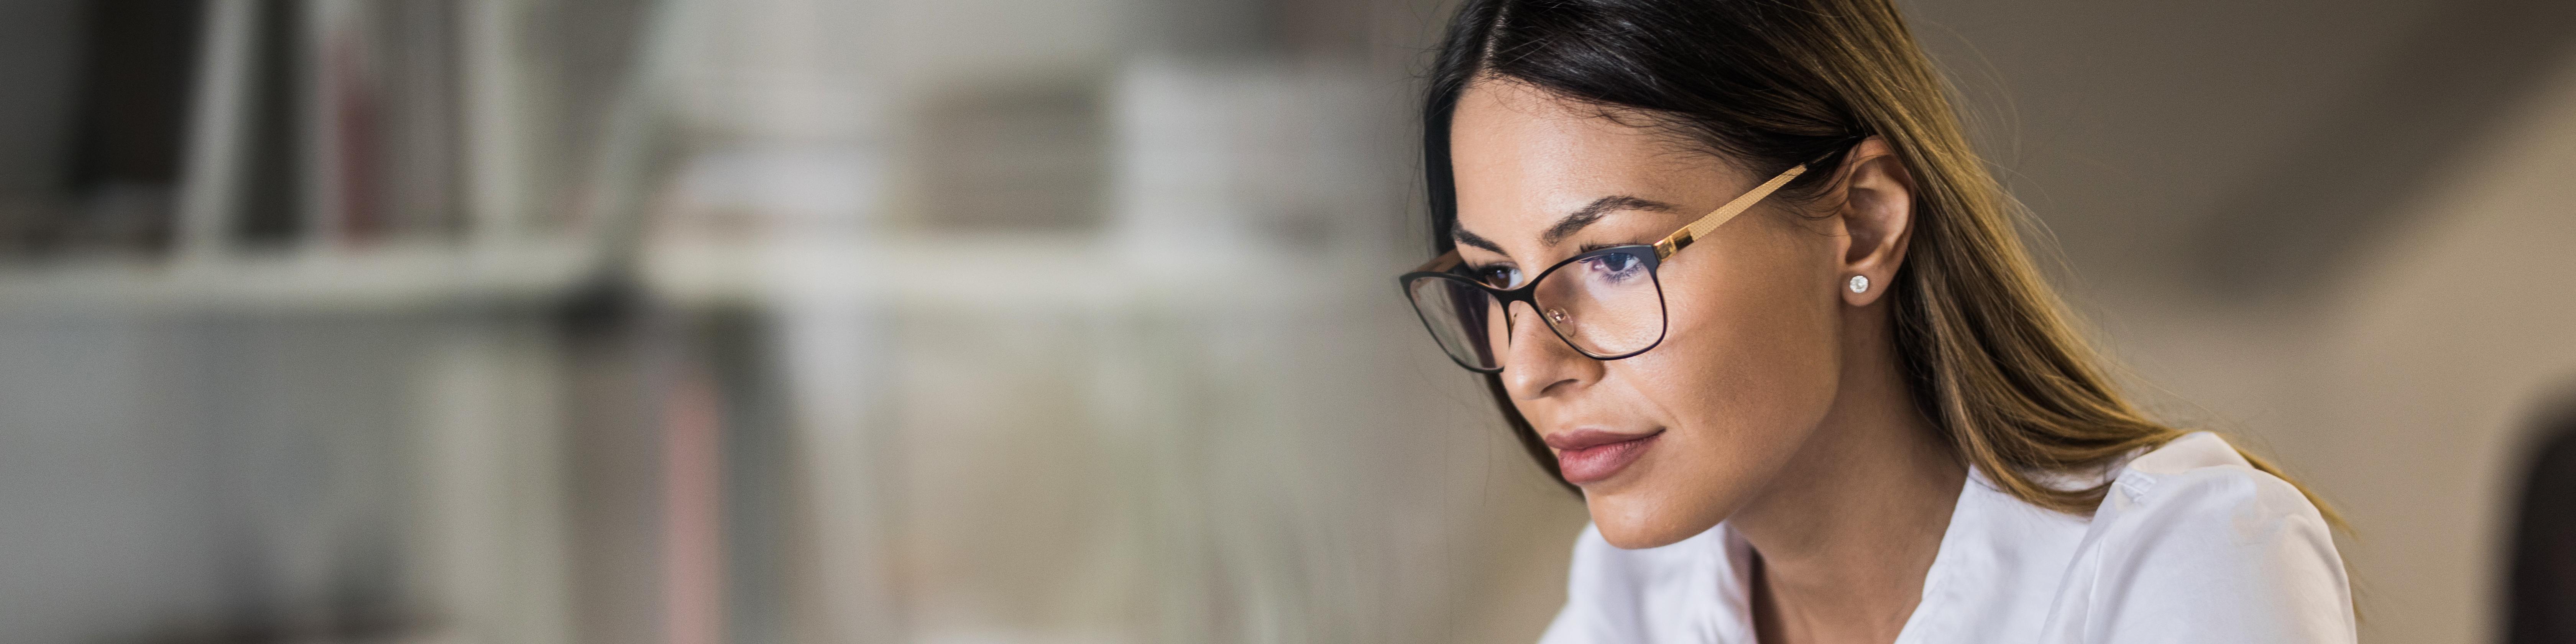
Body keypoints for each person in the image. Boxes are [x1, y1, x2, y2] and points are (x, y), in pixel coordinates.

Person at [1396, 0, 2355, 641]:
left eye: (1612, 259)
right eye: (1495, 279)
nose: (1531, 367)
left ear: (1861, 224)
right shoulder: (1637, 600)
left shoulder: (2179, 566)